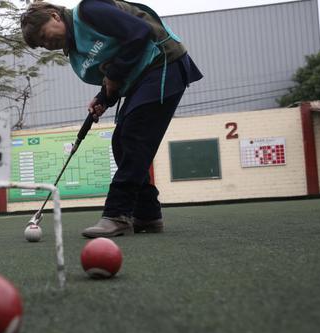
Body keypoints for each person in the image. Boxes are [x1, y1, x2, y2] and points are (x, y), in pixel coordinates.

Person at [21, 0, 203, 237]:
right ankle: (147, 215)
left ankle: (117, 214)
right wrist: (103, 98)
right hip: (143, 78)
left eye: (44, 35)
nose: (47, 44)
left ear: (55, 16)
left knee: (132, 136)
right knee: (120, 143)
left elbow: (139, 32)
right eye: (41, 44)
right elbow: (115, 74)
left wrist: (114, 76)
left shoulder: (89, 11)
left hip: (164, 62)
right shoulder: (76, 52)